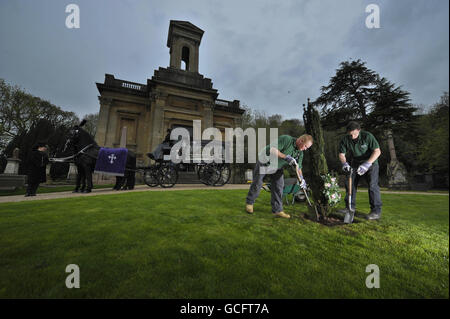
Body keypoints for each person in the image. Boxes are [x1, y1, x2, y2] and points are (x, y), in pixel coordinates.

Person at [246, 134, 313, 219]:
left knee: (279, 186)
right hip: (265, 162)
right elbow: (272, 149)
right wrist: (286, 157)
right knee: (257, 183)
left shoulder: (300, 153)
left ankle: (277, 210)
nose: (305, 149)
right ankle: (250, 203)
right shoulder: (286, 139)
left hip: (277, 166)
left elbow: (298, 167)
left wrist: (302, 179)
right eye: (305, 146)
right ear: (301, 141)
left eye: (307, 148)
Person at [339, 121, 382, 220]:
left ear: (359, 130)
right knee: (350, 183)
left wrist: (367, 164)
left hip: (371, 163)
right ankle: (349, 207)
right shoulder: (345, 139)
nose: (352, 137)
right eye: (350, 134)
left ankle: (376, 211)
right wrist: (344, 163)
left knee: (372, 186)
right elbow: (341, 154)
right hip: (355, 163)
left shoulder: (367, 136)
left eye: (354, 134)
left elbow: (377, 151)